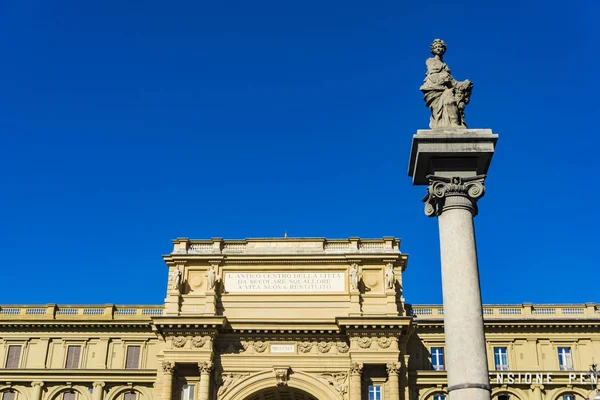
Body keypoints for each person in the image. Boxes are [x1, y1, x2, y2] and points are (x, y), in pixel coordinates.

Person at [420, 39, 473, 129]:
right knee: (448, 102)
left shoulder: (444, 64)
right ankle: (452, 123)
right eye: (436, 47)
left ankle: (453, 123)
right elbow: (437, 73)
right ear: (432, 50)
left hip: (445, 87)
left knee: (452, 101)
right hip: (433, 88)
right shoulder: (430, 61)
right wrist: (446, 79)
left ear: (444, 49)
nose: (438, 49)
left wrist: (463, 84)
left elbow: (451, 80)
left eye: (440, 47)